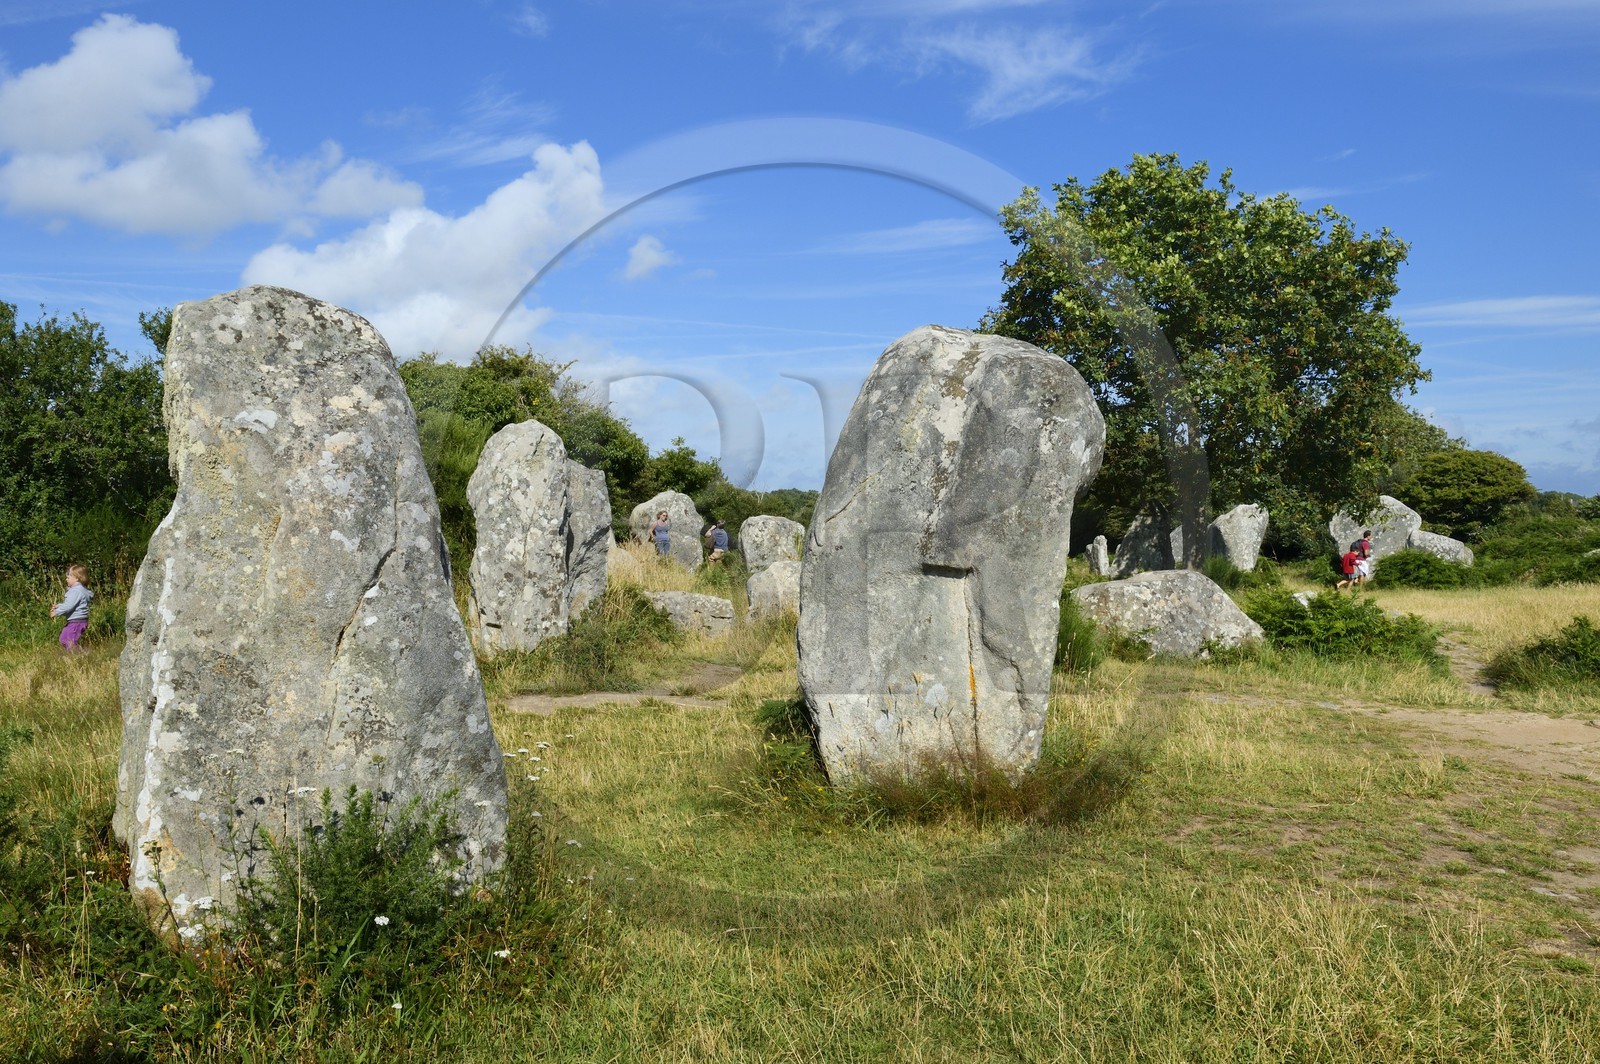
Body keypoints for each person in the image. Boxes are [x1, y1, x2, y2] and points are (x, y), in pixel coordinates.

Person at [49, 564, 94, 651]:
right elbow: (71, 604)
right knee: (63, 639)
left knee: (70, 642)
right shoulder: (78, 590)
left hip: (77, 622)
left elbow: (69, 606)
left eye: (68, 577)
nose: (66, 579)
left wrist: (56, 612)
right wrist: (58, 606)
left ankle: (83, 654)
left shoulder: (76, 591)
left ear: (77, 578)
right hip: (75, 621)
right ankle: (78, 653)